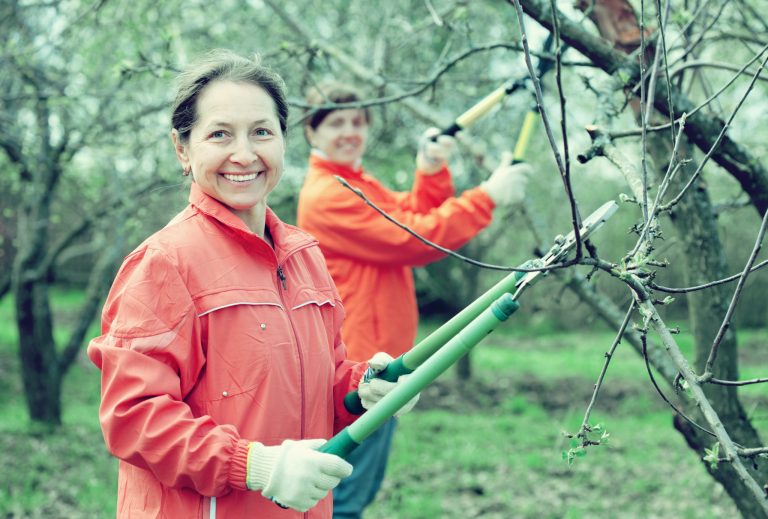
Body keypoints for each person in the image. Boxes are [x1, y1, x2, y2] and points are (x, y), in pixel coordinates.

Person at [87, 50, 416, 519]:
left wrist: (363, 388)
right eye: (220, 134)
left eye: (261, 131)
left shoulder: (305, 256)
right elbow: (132, 418)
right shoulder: (163, 264)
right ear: (183, 149)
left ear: (284, 141)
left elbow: (317, 384)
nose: (244, 154)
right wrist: (255, 465)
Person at [297, 81, 531, 518]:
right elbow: (416, 238)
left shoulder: (356, 184)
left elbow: (413, 215)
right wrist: (489, 197)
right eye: (336, 124)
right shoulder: (328, 195)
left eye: (357, 122)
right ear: (312, 133)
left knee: (350, 495)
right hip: (360, 367)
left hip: (380, 362)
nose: (350, 132)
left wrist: (430, 169)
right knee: (342, 499)